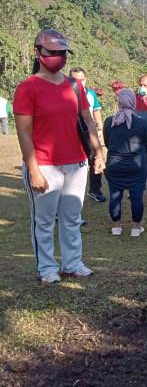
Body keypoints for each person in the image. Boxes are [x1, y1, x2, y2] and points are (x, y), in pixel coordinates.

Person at [13, 29, 104, 284]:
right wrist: (33, 170)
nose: (58, 57)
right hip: (44, 165)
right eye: (52, 52)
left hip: (76, 163)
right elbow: (23, 132)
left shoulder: (73, 86)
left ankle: (72, 263)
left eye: (62, 53)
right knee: (43, 221)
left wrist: (98, 152)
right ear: (38, 53)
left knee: (72, 218)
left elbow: (88, 121)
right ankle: (47, 268)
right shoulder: (27, 88)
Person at [104, 89, 147, 237]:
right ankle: (136, 228)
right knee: (137, 197)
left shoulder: (109, 121)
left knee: (115, 196)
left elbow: (107, 142)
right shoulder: (142, 123)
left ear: (119, 102)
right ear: (133, 102)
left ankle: (116, 227)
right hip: (136, 165)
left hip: (114, 164)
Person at [69, 67, 106, 203]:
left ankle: (95, 190)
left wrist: (100, 129)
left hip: (88, 131)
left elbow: (96, 111)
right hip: (71, 132)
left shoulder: (91, 94)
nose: (79, 82)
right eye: (76, 80)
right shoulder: (63, 93)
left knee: (95, 158)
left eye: (82, 79)